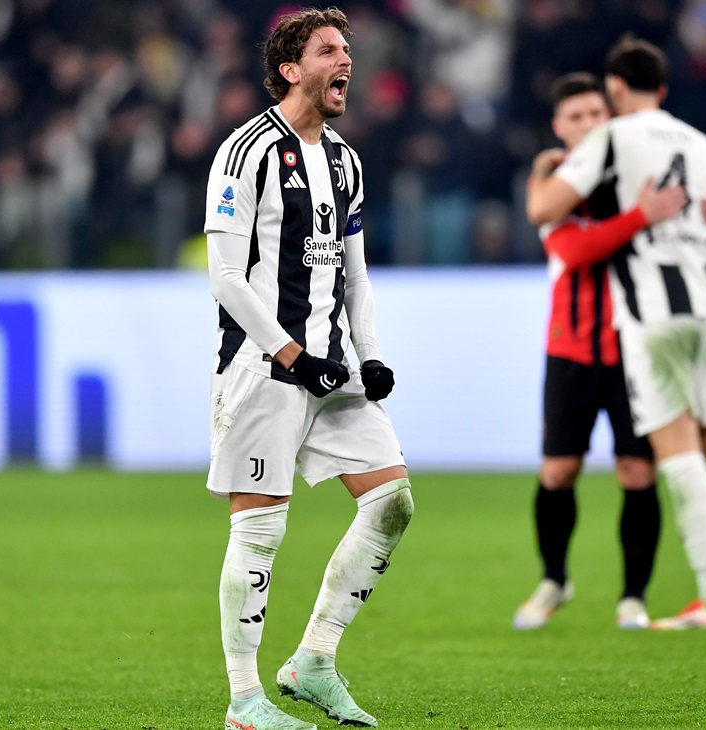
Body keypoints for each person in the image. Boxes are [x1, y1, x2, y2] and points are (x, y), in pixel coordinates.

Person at [528, 37, 706, 630]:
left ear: (616, 90)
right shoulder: (702, 145)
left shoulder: (613, 141)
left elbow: (543, 210)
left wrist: (543, 180)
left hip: (650, 316)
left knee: (675, 457)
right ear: (666, 88)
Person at [203, 8, 413, 729]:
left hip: (329, 372)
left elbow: (355, 272)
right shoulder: (245, 152)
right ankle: (243, 702)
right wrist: (292, 356)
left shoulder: (347, 160)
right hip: (263, 371)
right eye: (329, 49)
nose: (345, 60)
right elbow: (227, 277)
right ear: (291, 69)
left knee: (392, 501)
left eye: (347, 50)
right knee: (260, 528)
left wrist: (371, 354)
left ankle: (313, 661)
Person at [513, 72, 687, 632]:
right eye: (577, 117)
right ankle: (554, 578)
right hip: (571, 348)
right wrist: (639, 217)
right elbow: (575, 246)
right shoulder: (554, 184)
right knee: (559, 469)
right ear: (559, 128)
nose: (589, 124)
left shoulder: (642, 171)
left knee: (638, 471)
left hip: (638, 348)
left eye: (596, 114)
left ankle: (633, 597)